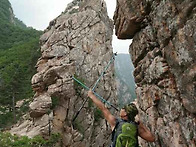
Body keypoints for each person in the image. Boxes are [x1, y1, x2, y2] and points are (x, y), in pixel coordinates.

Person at [88, 90, 155, 146]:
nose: (121, 109)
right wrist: (141, 124)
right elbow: (151, 138)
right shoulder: (136, 127)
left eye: (123, 108)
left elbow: (103, 108)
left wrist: (91, 96)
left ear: (125, 113)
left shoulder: (115, 122)